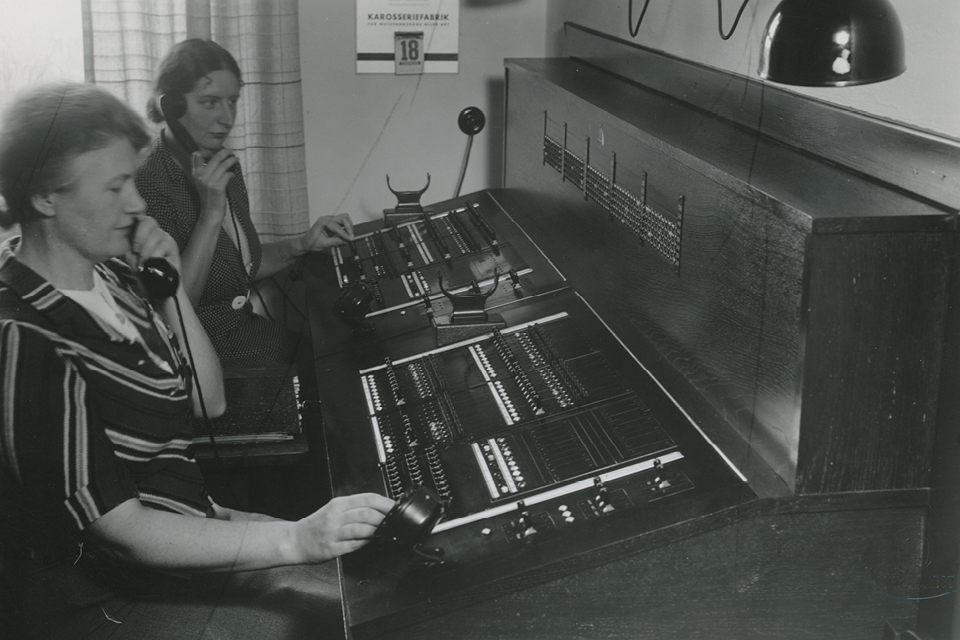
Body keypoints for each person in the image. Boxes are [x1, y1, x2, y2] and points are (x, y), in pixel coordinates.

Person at [0, 82, 394, 639]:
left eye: (132, 181)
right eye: (114, 187)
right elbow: (121, 530)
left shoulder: (108, 274)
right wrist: (295, 539)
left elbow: (209, 401)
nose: (136, 204)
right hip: (106, 595)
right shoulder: (23, 335)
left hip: (187, 530)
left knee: (375, 588)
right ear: (45, 197)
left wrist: (170, 289)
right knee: (341, 619)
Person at [137, 38, 355, 367]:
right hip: (197, 357)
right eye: (210, 102)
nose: (227, 118)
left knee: (343, 355)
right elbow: (176, 311)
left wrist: (302, 243)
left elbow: (243, 266)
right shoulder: (150, 182)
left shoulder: (223, 164)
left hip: (243, 333)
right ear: (173, 106)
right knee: (335, 369)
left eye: (233, 101)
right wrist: (210, 215)